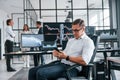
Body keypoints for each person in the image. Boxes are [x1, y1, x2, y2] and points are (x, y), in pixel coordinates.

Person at [28, 18, 95, 80]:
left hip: (72, 68)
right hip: (61, 63)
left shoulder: (88, 42)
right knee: (32, 71)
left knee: (41, 73)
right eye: (73, 30)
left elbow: (84, 61)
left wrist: (66, 57)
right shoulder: (71, 40)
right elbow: (64, 54)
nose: (74, 33)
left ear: (83, 29)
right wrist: (59, 54)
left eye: (76, 30)